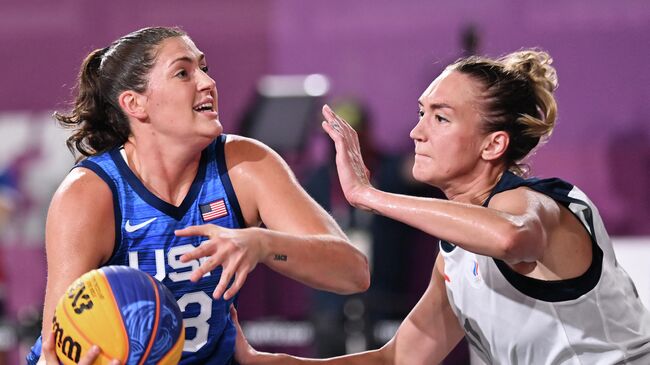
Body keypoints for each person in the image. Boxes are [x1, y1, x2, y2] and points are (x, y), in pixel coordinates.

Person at [232, 49, 650, 364]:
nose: (416, 132)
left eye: (441, 118)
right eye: (421, 113)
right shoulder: (454, 257)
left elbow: (510, 236)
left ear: (494, 144)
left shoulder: (537, 204)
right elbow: (397, 359)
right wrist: (267, 361)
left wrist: (368, 195)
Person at [27, 26, 370, 365]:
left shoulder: (245, 164)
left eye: (203, 69)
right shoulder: (90, 193)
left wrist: (262, 244)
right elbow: (56, 348)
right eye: (183, 73)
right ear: (135, 103)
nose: (208, 83)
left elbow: (352, 272)